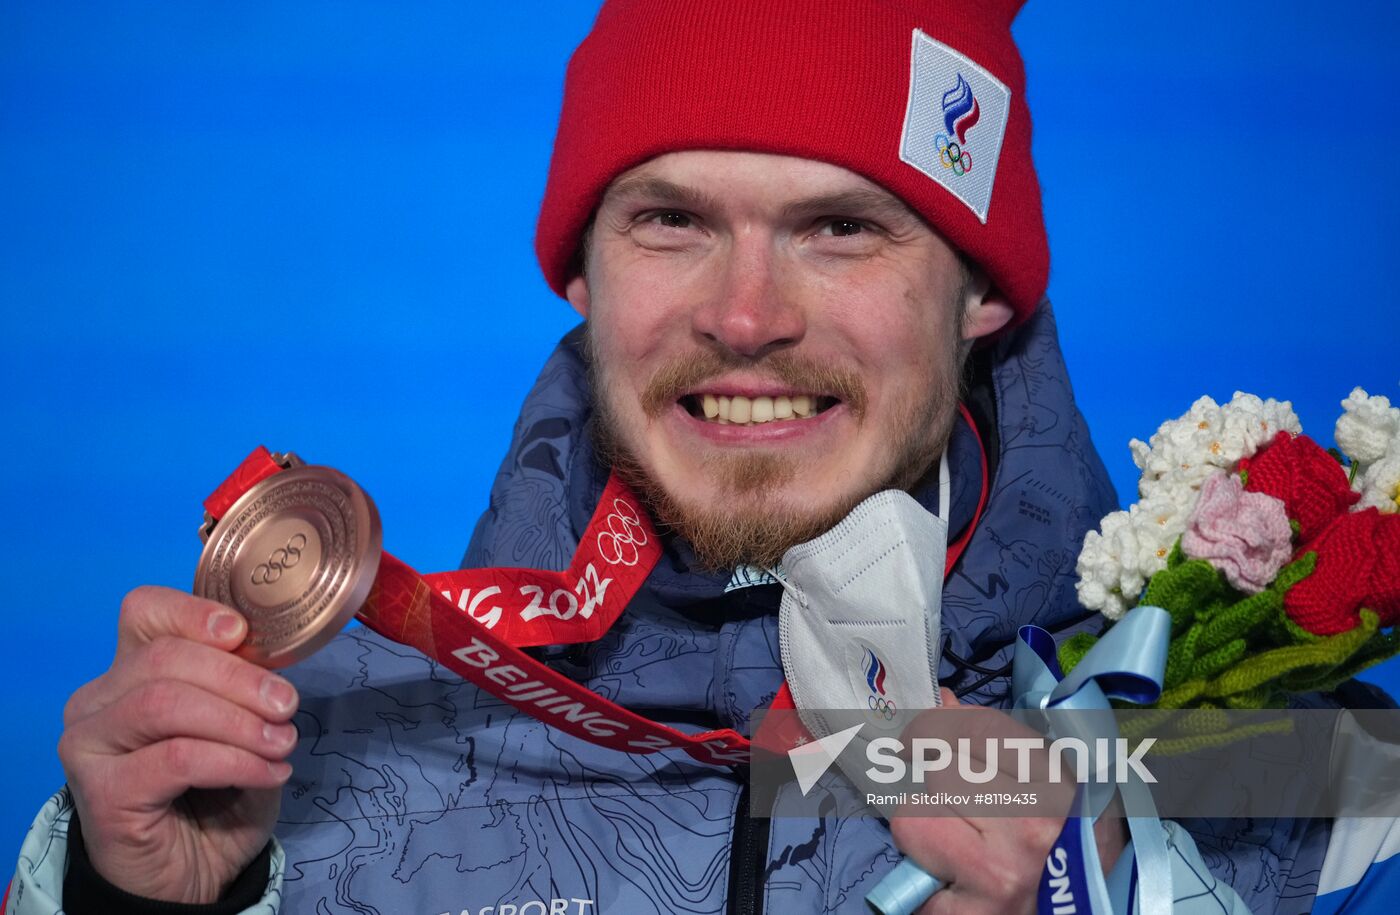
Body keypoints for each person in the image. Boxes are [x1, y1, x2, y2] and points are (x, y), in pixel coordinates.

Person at [6, 1, 1367, 912]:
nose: (746, 315)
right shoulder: (304, 740)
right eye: (671, 220)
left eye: (842, 229)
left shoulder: (1296, 773)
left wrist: (1112, 887)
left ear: (984, 295)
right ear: (581, 275)